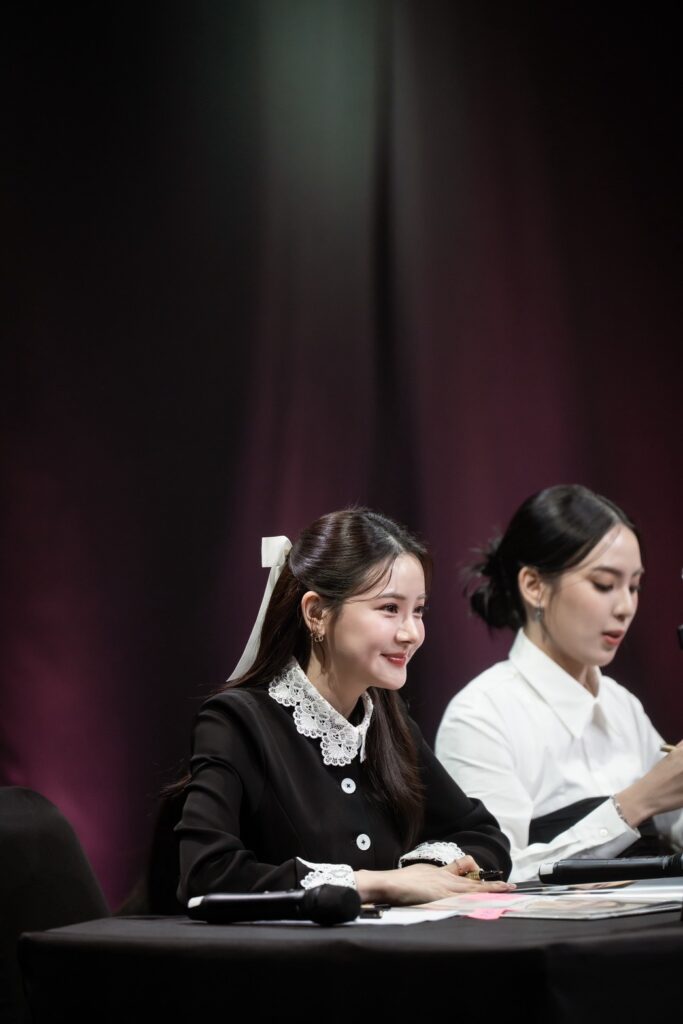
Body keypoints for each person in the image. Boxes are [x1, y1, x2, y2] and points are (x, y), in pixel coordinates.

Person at [176, 508, 512, 906]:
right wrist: (377, 883)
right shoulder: (236, 721)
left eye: (418, 610)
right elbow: (206, 873)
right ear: (316, 613)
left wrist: (423, 872)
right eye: (390, 609)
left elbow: (483, 835)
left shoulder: (387, 717)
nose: (411, 633)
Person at [435, 484, 683, 883]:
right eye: (604, 584)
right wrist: (638, 801)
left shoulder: (623, 706)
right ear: (534, 585)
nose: (625, 607)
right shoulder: (480, 715)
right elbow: (487, 874)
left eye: (634, 586)